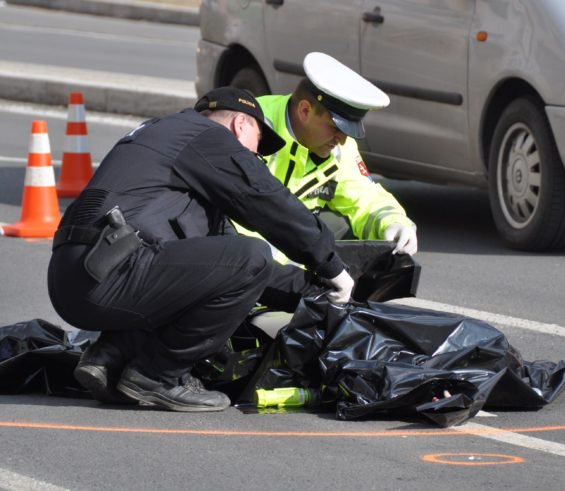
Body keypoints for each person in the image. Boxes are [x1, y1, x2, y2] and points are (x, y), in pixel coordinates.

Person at [47, 87, 354, 412]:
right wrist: (331, 265)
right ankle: (157, 376)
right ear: (241, 124)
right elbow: (268, 202)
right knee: (254, 254)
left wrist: (313, 293)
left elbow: (229, 272)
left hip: (77, 274)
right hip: (112, 273)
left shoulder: (166, 139)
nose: (256, 158)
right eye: (257, 147)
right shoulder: (207, 137)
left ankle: (109, 356)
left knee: (228, 263)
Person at [250, 52, 418, 256]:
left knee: (344, 227)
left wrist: (394, 223)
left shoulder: (338, 147)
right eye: (335, 128)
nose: (342, 139)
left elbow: (363, 196)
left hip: (285, 249)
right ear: (305, 111)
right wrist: (285, 262)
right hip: (234, 260)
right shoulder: (252, 128)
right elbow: (231, 214)